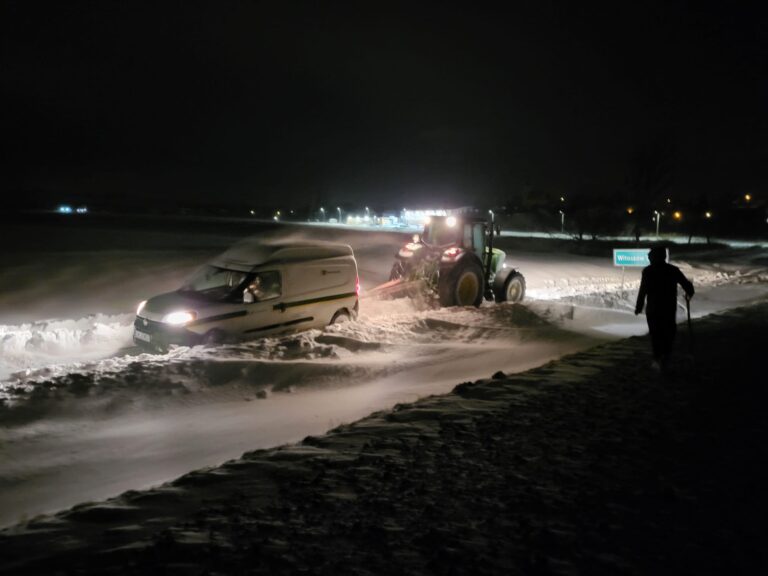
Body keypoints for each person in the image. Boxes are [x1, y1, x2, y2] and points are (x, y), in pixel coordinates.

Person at [635, 246, 694, 369]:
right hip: (668, 307)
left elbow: (643, 290)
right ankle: (665, 356)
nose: (649, 258)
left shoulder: (648, 271)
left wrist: (639, 306)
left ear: (655, 257)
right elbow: (686, 285)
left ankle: (657, 357)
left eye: (650, 256)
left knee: (655, 333)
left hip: (653, 308)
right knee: (668, 332)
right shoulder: (672, 270)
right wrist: (689, 291)